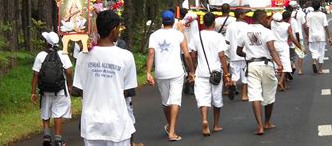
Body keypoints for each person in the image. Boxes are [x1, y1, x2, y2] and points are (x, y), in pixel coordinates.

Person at [73, 10, 138, 146]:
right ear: (114, 29)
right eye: (119, 28)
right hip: (117, 123)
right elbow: (128, 91)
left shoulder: (83, 56)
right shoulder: (126, 56)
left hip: (91, 123)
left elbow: (79, 90)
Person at [146, 10, 195, 142]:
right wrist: (191, 71)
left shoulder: (154, 35)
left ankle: (170, 126)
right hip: (176, 71)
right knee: (175, 100)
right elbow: (187, 55)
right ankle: (172, 131)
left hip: (161, 72)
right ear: (173, 21)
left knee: (166, 101)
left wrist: (148, 72)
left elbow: (151, 53)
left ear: (162, 21)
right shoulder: (179, 34)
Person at [236, 10, 283, 136]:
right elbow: (272, 49)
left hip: (252, 65)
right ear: (261, 19)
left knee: (255, 95)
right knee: (269, 94)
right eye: (266, 19)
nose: (268, 21)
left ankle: (260, 126)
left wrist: (249, 55)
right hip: (266, 65)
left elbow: (238, 51)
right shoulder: (267, 32)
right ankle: (267, 122)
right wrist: (279, 64)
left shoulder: (244, 31)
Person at [188, 12, 231, 136]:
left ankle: (204, 120)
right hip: (216, 72)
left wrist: (193, 69)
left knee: (203, 98)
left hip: (201, 72)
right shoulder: (218, 37)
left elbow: (192, 54)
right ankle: (216, 125)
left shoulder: (197, 36)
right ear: (214, 23)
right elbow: (222, 56)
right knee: (216, 98)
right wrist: (227, 74)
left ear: (203, 23)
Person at [31, 31, 73, 146]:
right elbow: (69, 71)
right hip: (60, 89)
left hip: (45, 91)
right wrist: (70, 85)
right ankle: (58, 140)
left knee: (45, 112)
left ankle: (46, 137)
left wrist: (33, 92)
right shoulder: (63, 54)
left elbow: (35, 74)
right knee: (57, 114)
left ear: (47, 43)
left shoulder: (41, 55)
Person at [271, 11, 303, 91]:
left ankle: (283, 83)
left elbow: (269, 21)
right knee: (285, 65)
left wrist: (272, 16)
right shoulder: (287, 26)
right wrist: (300, 47)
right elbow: (292, 38)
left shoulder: (272, 24)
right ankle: (281, 81)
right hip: (283, 46)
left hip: (274, 46)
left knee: (278, 64)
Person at [225, 8, 248, 101]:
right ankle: (244, 95)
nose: (245, 15)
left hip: (233, 54)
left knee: (234, 74)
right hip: (244, 53)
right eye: (244, 14)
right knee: (245, 76)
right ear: (241, 15)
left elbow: (227, 40)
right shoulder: (246, 26)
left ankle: (233, 85)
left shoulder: (230, 26)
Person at [305, 0, 332, 74]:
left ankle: (314, 61)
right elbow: (326, 26)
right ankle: (320, 70)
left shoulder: (309, 15)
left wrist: (307, 37)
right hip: (321, 35)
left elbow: (307, 26)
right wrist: (329, 37)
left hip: (312, 35)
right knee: (321, 52)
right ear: (319, 6)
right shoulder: (322, 15)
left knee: (314, 51)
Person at [289, 1, 307, 75]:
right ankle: (300, 70)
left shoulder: (287, 14)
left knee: (290, 54)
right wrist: (307, 35)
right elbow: (304, 26)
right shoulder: (301, 13)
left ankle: (292, 65)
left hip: (289, 37)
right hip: (299, 36)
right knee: (300, 53)